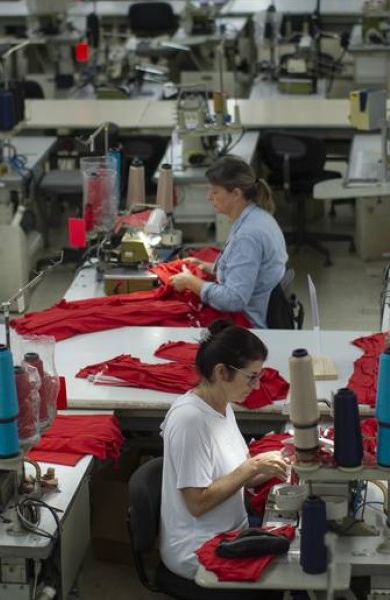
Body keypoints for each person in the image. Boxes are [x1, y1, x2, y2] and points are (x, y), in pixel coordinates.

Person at [159, 322, 289, 584]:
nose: (256, 385)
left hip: (230, 531)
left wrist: (279, 462)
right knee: (293, 570)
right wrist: (252, 467)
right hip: (198, 548)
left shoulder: (222, 406)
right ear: (221, 372)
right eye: (251, 377)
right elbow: (197, 503)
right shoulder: (190, 421)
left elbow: (236, 477)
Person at [169, 157, 288, 328]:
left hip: (248, 325)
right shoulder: (257, 217)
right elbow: (248, 272)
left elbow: (234, 300)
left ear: (237, 194)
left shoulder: (247, 236)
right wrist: (207, 266)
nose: (209, 197)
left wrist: (192, 283)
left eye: (215, 192)